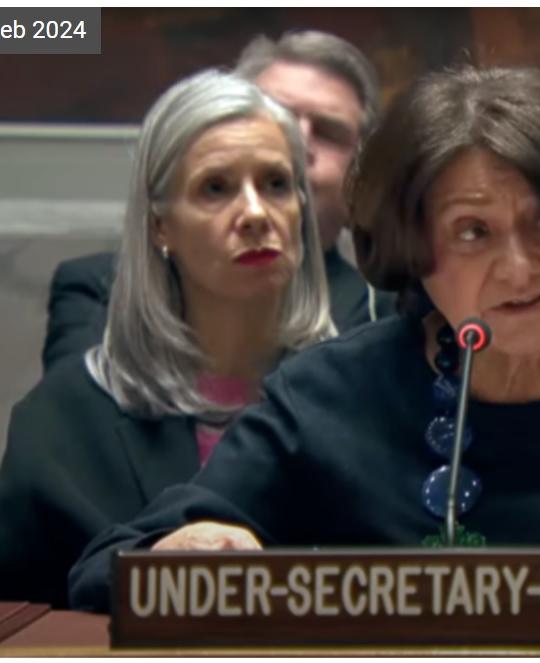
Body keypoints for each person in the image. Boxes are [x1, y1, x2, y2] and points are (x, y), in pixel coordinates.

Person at [69, 65, 540, 613]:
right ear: (413, 249)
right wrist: (193, 547)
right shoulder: (328, 397)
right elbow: (108, 568)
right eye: (473, 232)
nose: (519, 269)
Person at [0, 69, 336, 607]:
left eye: (276, 184)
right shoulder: (63, 419)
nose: (255, 214)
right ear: (160, 225)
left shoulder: (356, 393)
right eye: (215, 188)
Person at [42, 30, 393, 371]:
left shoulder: (385, 317)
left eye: (328, 133)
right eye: (274, 117)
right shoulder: (99, 291)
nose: (297, 145)